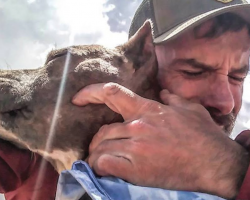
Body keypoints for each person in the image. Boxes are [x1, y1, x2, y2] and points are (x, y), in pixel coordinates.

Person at [1, 0, 250, 199]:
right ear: (142, 60)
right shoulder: (41, 160)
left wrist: (227, 169)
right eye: (193, 71)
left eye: (237, 78)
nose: (226, 102)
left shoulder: (243, 157)